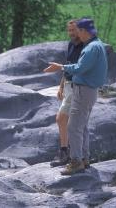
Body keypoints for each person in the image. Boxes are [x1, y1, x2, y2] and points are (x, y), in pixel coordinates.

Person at [43, 18, 108, 175]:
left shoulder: (91, 48)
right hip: (87, 89)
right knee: (82, 126)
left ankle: (76, 162)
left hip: (83, 90)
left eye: (78, 30)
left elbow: (80, 68)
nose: (76, 33)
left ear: (84, 31)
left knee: (73, 127)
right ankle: (84, 159)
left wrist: (61, 67)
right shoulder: (95, 45)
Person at [50, 20, 83, 167]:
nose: (71, 33)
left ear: (80, 30)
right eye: (69, 30)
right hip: (69, 86)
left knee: (62, 118)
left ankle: (69, 154)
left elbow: (79, 68)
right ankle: (67, 153)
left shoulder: (85, 46)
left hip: (78, 87)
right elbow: (67, 66)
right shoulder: (71, 45)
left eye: (73, 30)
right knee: (64, 120)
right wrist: (61, 86)